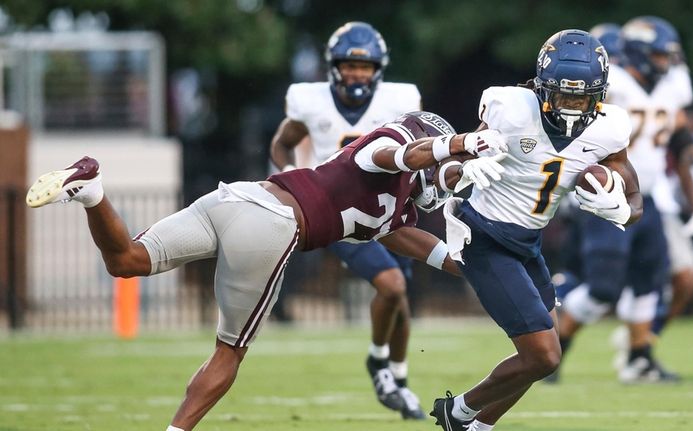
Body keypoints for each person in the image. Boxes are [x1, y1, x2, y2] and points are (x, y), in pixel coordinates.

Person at [25, 111, 508, 431]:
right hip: (272, 225)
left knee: (127, 260)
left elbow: (424, 246)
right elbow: (401, 156)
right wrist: (463, 142)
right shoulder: (389, 146)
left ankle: (92, 190)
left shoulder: (396, 208)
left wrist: (485, 265)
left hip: (234, 198)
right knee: (229, 351)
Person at [426, 29, 641, 431]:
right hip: (483, 238)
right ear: (542, 88)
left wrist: (620, 209)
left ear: (600, 95)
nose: (573, 107)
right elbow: (447, 165)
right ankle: (458, 413)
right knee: (543, 356)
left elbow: (636, 201)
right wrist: (461, 170)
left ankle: (478, 427)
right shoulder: (509, 107)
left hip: (528, 245)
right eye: (563, 96)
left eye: (582, 97)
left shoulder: (610, 128)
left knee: (541, 356)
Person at [269, 21, 427, 419]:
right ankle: (379, 363)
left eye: (365, 67)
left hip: (391, 211)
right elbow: (282, 142)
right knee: (391, 286)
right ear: (333, 66)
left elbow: (420, 148)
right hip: (341, 211)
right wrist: (292, 176)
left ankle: (396, 376)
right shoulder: (310, 101)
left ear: (379, 69)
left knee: (400, 301)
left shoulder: (400, 100)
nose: (357, 74)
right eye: (349, 65)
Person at [555, 16, 693, 384]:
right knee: (603, 286)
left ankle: (639, 358)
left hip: (649, 196)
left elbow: (680, 129)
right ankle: (554, 350)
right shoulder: (612, 84)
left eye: (668, 57)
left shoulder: (672, 87)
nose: (666, 64)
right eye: (657, 56)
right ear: (636, 54)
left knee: (648, 281)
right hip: (608, 193)